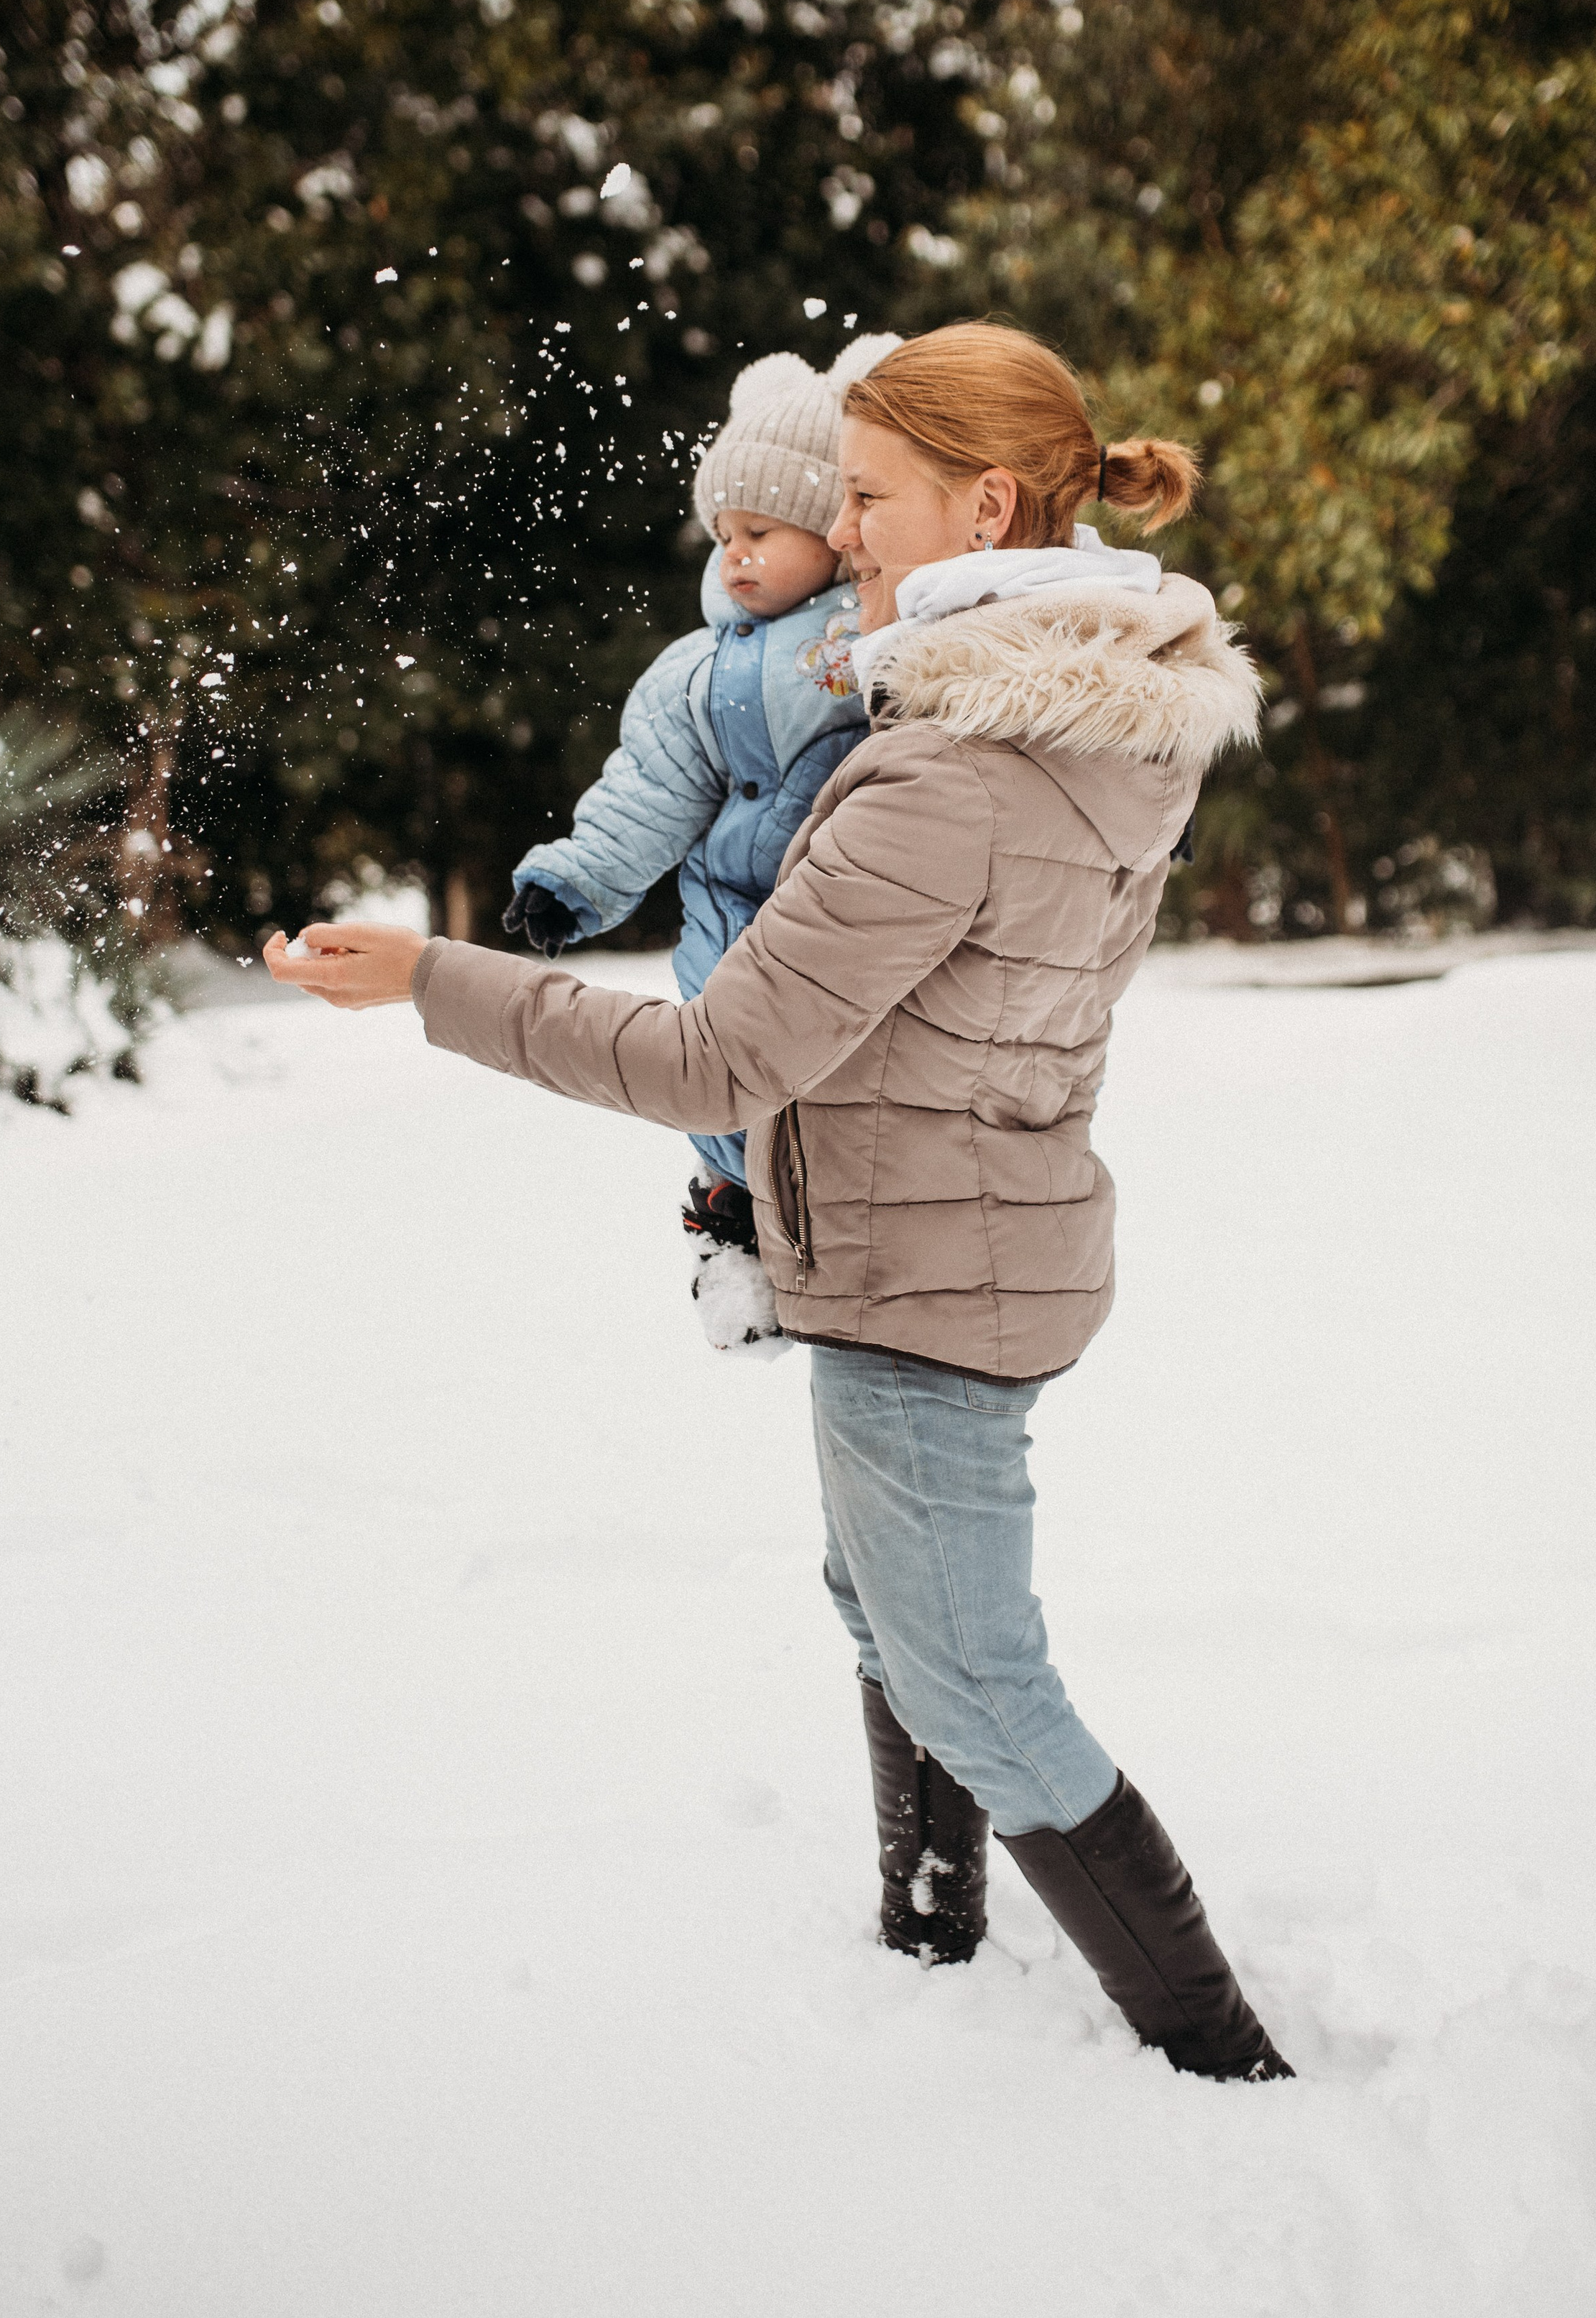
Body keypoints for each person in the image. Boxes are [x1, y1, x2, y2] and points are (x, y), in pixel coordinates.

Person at [265, 320, 1292, 2083]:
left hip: (920, 1268)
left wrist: (430, 981)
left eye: (871, 498)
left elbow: (711, 1065)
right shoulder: (1081, 718)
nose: (851, 536)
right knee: (886, 1606)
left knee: (976, 1677)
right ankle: (929, 1932)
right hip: (967, 1226)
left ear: (982, 506)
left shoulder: (946, 774)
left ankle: (1215, 2059)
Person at [500, 333, 898, 1350]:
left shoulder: (890, 628)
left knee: (841, 1101)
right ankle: (730, 1226)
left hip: (842, 919)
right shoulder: (693, 670)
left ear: (831, 525)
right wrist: (577, 879)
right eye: (724, 532)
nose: (736, 552)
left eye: (762, 528)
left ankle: (825, 1241)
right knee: (719, 1087)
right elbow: (650, 787)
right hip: (728, 924)